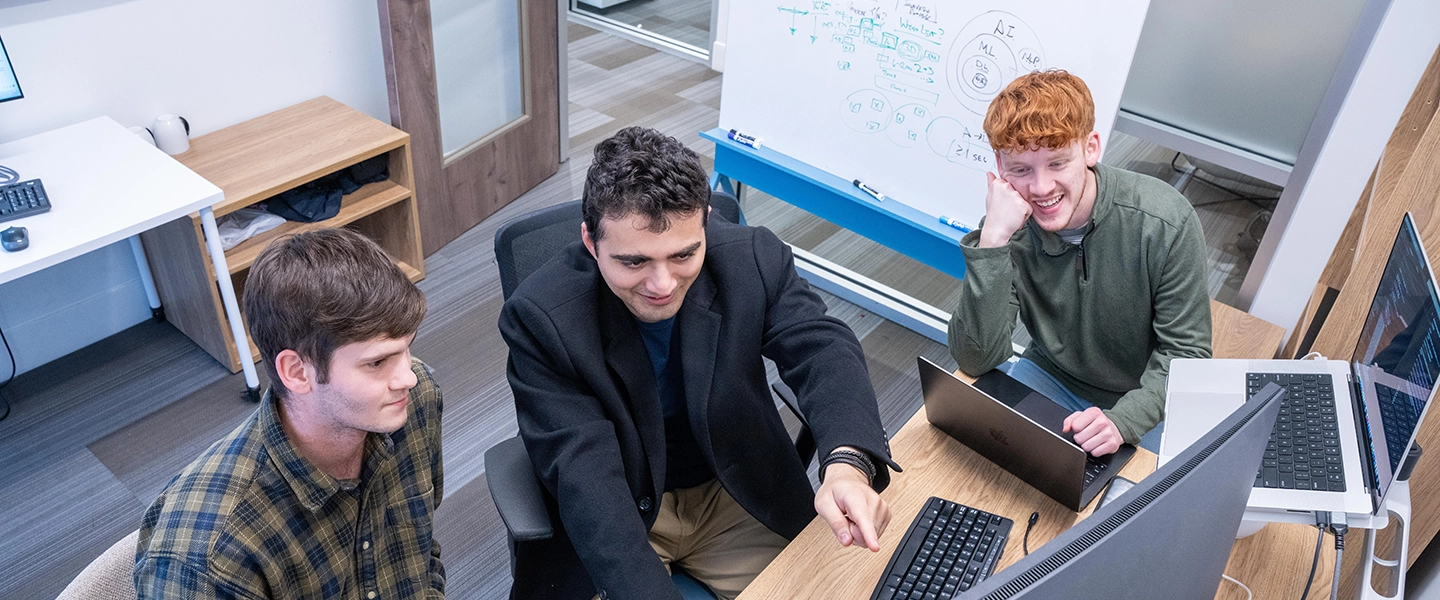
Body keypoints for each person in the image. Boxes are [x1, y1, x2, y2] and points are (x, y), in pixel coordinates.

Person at [499, 127, 899, 599]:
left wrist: (848, 463)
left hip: (730, 487)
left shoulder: (752, 258)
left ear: (706, 222)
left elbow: (822, 348)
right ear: (591, 242)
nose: (662, 283)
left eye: (684, 254)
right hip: (621, 507)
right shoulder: (541, 318)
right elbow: (586, 477)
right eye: (634, 262)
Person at [135, 228, 444, 599]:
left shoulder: (414, 400)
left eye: (407, 348)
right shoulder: (208, 558)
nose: (407, 377)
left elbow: (422, 554)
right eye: (377, 362)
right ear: (297, 372)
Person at [949, 69, 1212, 456]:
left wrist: (1125, 420)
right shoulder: (1009, 227)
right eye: (1021, 169)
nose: (1040, 188)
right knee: (995, 468)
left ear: (1090, 149)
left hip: (1145, 393)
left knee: (1144, 505)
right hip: (1051, 375)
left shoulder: (1166, 222)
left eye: (1057, 164)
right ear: (1000, 168)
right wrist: (992, 242)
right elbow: (975, 358)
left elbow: (1187, 354)